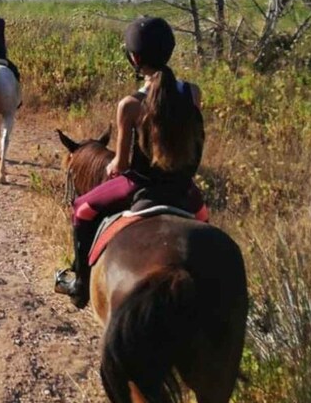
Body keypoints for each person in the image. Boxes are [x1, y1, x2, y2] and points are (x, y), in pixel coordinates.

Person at [54, 16, 209, 309]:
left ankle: (80, 284)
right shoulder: (192, 92)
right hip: (182, 188)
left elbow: (123, 165)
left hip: (139, 188)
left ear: (134, 58)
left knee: (82, 209)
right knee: (204, 224)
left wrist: (112, 167)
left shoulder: (130, 105)